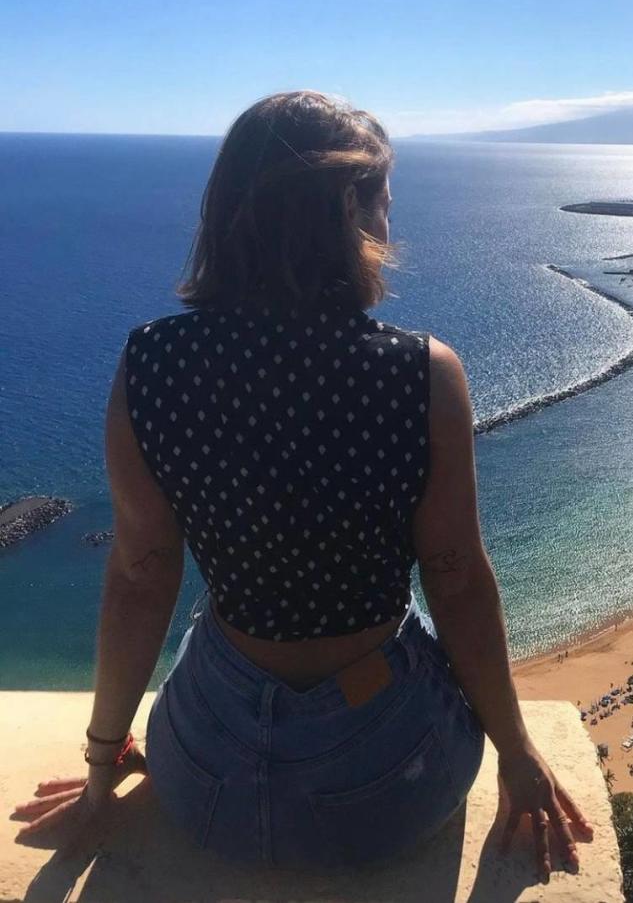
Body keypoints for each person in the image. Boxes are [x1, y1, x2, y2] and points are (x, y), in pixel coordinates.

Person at [14, 92, 591, 877]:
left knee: (204, 618)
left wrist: (102, 763)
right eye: (384, 205)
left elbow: (142, 576)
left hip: (204, 780)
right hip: (390, 787)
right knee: (412, 602)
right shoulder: (421, 372)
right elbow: (456, 581)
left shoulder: (149, 362)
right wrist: (517, 752)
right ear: (348, 213)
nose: (391, 228)